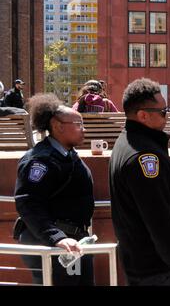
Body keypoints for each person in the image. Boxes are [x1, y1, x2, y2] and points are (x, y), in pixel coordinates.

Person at [109, 78, 170, 286]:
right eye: (163, 111)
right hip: (156, 269)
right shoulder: (144, 157)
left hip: (144, 264)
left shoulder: (128, 142)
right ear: (143, 115)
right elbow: (158, 219)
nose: (167, 116)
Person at [14, 93, 94, 286]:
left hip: (71, 241)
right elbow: (29, 203)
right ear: (58, 126)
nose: (83, 129)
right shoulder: (40, 161)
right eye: (78, 124)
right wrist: (56, 238)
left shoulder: (66, 154)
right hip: (52, 243)